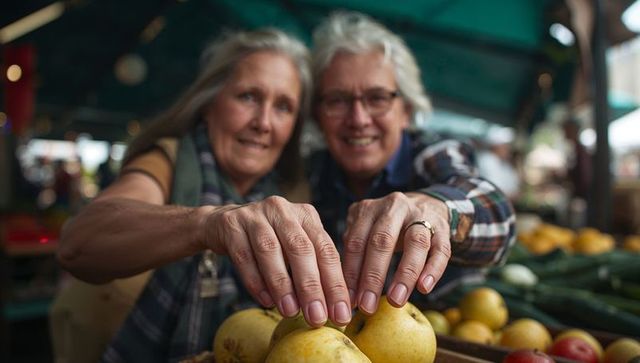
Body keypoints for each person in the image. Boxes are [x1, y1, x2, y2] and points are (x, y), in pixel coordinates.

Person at [57, 29, 350, 361]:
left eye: (283, 107)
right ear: (210, 104)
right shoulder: (167, 160)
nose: (264, 122)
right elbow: (77, 243)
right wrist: (207, 223)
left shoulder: (291, 191)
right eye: (249, 97)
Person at [309, 11, 516, 313]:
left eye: (377, 98)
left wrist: (437, 209)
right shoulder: (311, 172)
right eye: (337, 100)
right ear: (317, 114)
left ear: (405, 109)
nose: (358, 119)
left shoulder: (432, 153)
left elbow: (500, 218)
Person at [476, 126, 521, 201]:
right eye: (505, 146)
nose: (508, 148)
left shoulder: (505, 163)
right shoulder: (486, 160)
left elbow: (515, 187)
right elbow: (496, 191)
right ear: (496, 146)